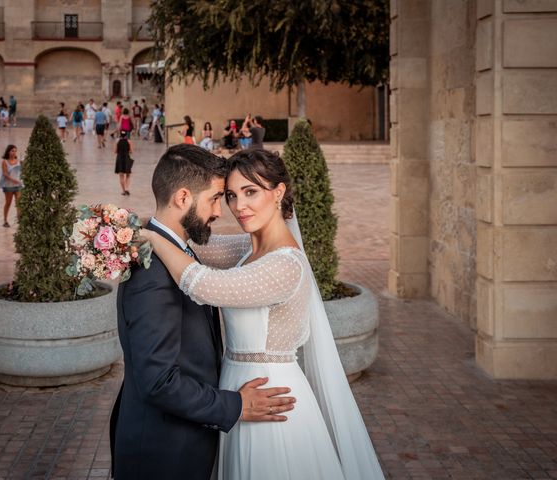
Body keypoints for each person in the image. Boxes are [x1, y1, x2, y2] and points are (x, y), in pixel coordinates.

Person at [140, 149, 385, 480]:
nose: (239, 206)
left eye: (251, 192)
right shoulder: (246, 249)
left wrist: (149, 236)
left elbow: (201, 283)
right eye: (230, 195)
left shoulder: (286, 265)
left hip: (272, 398)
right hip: (235, 394)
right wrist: (123, 228)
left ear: (278, 192)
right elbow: (191, 248)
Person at [110, 145, 296, 480]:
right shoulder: (151, 273)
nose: (222, 211)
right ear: (183, 197)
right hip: (164, 452)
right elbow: (159, 382)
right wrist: (235, 406)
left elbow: (223, 269)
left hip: (186, 438)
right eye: (216, 198)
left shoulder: (174, 252)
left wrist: (144, 230)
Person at [0, 144, 22, 228]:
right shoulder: (5, 162)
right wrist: (13, 180)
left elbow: (23, 170)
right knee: (8, 203)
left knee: (19, 202)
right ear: (8, 152)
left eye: (15, 151)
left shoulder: (19, 161)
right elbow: (5, 174)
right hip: (8, 186)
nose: (14, 152)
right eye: (12, 151)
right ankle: (5, 220)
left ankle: (20, 219)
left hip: (18, 185)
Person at [114, 131, 133, 196]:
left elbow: (115, 151)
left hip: (119, 159)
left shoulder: (117, 141)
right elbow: (131, 151)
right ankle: (127, 188)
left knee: (121, 176)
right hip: (126, 158)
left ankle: (123, 190)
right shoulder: (129, 141)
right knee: (128, 175)